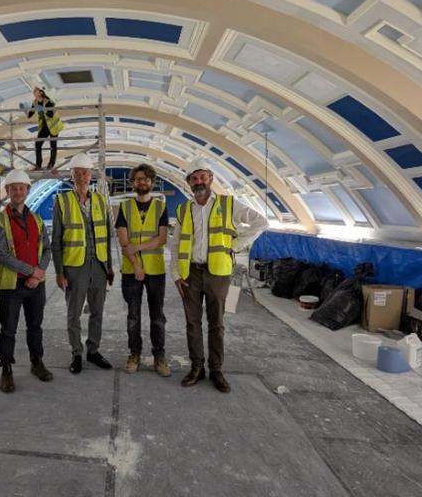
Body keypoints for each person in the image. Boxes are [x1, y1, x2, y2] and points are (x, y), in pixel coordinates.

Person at [170, 159, 268, 393]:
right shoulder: (183, 210)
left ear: (211, 179)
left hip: (218, 274)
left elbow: (261, 222)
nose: (199, 181)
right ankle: (197, 368)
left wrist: (235, 246)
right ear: (189, 183)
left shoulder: (229, 204)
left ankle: (216, 370)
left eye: (203, 177)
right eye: (194, 178)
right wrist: (175, 274)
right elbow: (176, 244)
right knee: (192, 323)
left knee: (217, 324)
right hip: (190, 273)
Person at [0, 169, 54, 393]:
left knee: (35, 326)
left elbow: (47, 249)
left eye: (21, 188)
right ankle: (6, 369)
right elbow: (2, 254)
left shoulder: (36, 219)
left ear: (27, 190)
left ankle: (37, 362)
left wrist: (38, 273)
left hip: (36, 285)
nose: (18, 192)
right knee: (8, 329)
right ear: (7, 191)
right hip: (11, 286)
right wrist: (31, 271)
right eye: (13, 188)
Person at [51, 152, 114, 374]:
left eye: (85, 173)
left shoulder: (100, 200)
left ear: (91, 175)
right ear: (72, 176)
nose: (81, 177)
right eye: (77, 173)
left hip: (98, 266)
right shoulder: (62, 201)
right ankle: (76, 353)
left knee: (97, 311)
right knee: (74, 313)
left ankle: (93, 351)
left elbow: (107, 236)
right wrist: (59, 272)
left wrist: (109, 266)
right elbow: (56, 240)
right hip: (74, 267)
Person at [115, 164, 170, 377]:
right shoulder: (125, 207)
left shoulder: (160, 207)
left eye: (146, 179)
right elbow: (123, 240)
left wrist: (137, 247)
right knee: (133, 316)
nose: (142, 182)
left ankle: (159, 356)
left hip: (156, 270)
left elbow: (162, 239)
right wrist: (137, 265)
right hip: (131, 270)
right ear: (133, 183)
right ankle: (134, 354)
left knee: (157, 316)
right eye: (138, 179)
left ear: (152, 182)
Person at [27, 87, 62, 170]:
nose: (34, 92)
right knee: (37, 144)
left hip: (53, 125)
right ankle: (38, 165)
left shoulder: (48, 101)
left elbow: (51, 115)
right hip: (45, 126)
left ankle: (51, 164)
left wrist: (43, 109)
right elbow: (30, 115)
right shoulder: (35, 102)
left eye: (35, 91)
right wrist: (26, 111)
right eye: (34, 91)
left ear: (41, 92)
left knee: (53, 145)